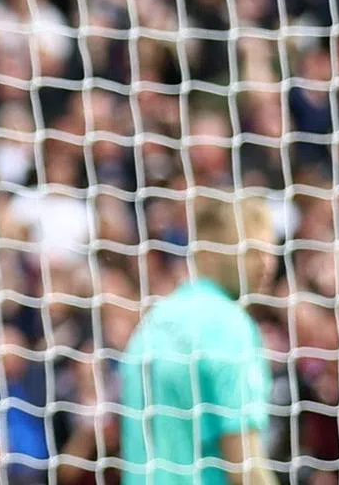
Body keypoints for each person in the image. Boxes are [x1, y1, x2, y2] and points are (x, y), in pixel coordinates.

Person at [118, 194, 279, 485]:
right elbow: (245, 466)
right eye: (252, 251)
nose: (266, 264)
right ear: (209, 253)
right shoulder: (230, 326)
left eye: (270, 250)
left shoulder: (152, 323)